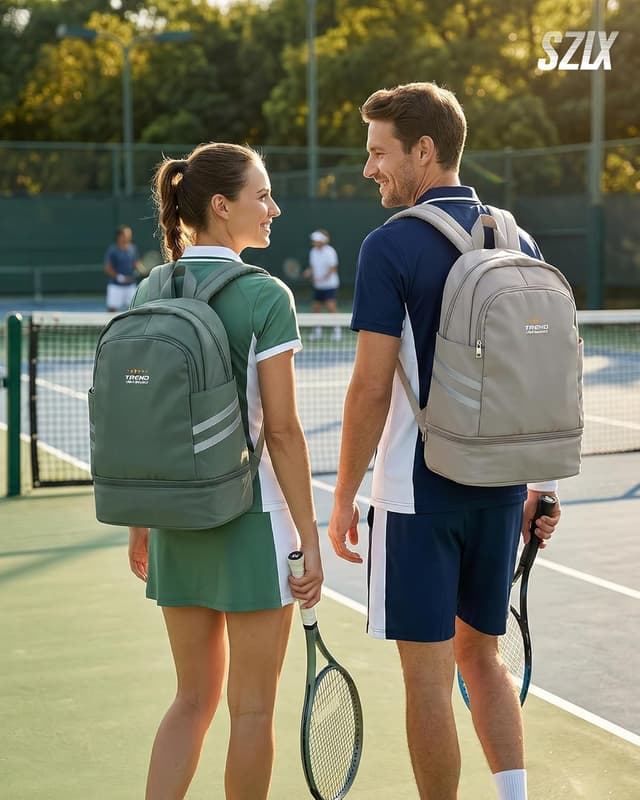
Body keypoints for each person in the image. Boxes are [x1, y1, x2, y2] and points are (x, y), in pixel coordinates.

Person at [327, 82, 562, 800]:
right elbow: (542, 374)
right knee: (483, 662)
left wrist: (341, 499)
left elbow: (370, 388)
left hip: (415, 496)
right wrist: (541, 486)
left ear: (423, 151)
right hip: (500, 493)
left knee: (427, 681)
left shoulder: (389, 245)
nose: (370, 168)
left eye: (378, 152)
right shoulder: (517, 236)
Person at [126, 142, 323, 800]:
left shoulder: (152, 286)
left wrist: (141, 522)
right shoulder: (267, 295)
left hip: (175, 521)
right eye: (261, 195)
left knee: (190, 701)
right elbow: (286, 432)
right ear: (221, 205)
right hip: (253, 521)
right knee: (252, 709)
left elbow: (137, 418)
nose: (273, 207)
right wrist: (311, 538)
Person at [302, 228, 341, 340]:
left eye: (316, 240)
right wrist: (308, 272)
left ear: (322, 241)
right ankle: (317, 332)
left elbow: (333, 269)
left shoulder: (330, 251)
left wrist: (321, 278)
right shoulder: (313, 252)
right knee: (316, 308)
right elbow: (312, 267)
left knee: (331, 307)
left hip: (330, 285)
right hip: (318, 286)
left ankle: (337, 331)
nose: (313, 242)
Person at [103, 224, 142, 312]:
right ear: (119, 236)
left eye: (129, 234)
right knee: (111, 310)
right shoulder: (112, 250)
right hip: (115, 286)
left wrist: (141, 269)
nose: (129, 237)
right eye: (126, 234)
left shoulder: (133, 248)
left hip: (130, 286)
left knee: (134, 310)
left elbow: (136, 264)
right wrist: (120, 278)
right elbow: (107, 268)